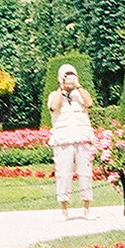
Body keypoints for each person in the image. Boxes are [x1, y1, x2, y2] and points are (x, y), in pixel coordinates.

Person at [47, 64, 96, 219]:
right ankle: (64, 209)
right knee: (63, 174)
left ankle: (87, 209)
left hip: (82, 138)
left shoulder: (81, 94)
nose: (69, 79)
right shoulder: (54, 95)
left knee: (86, 173)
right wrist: (61, 88)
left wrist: (78, 85)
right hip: (63, 139)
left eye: (71, 75)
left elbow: (89, 103)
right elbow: (54, 106)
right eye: (66, 76)